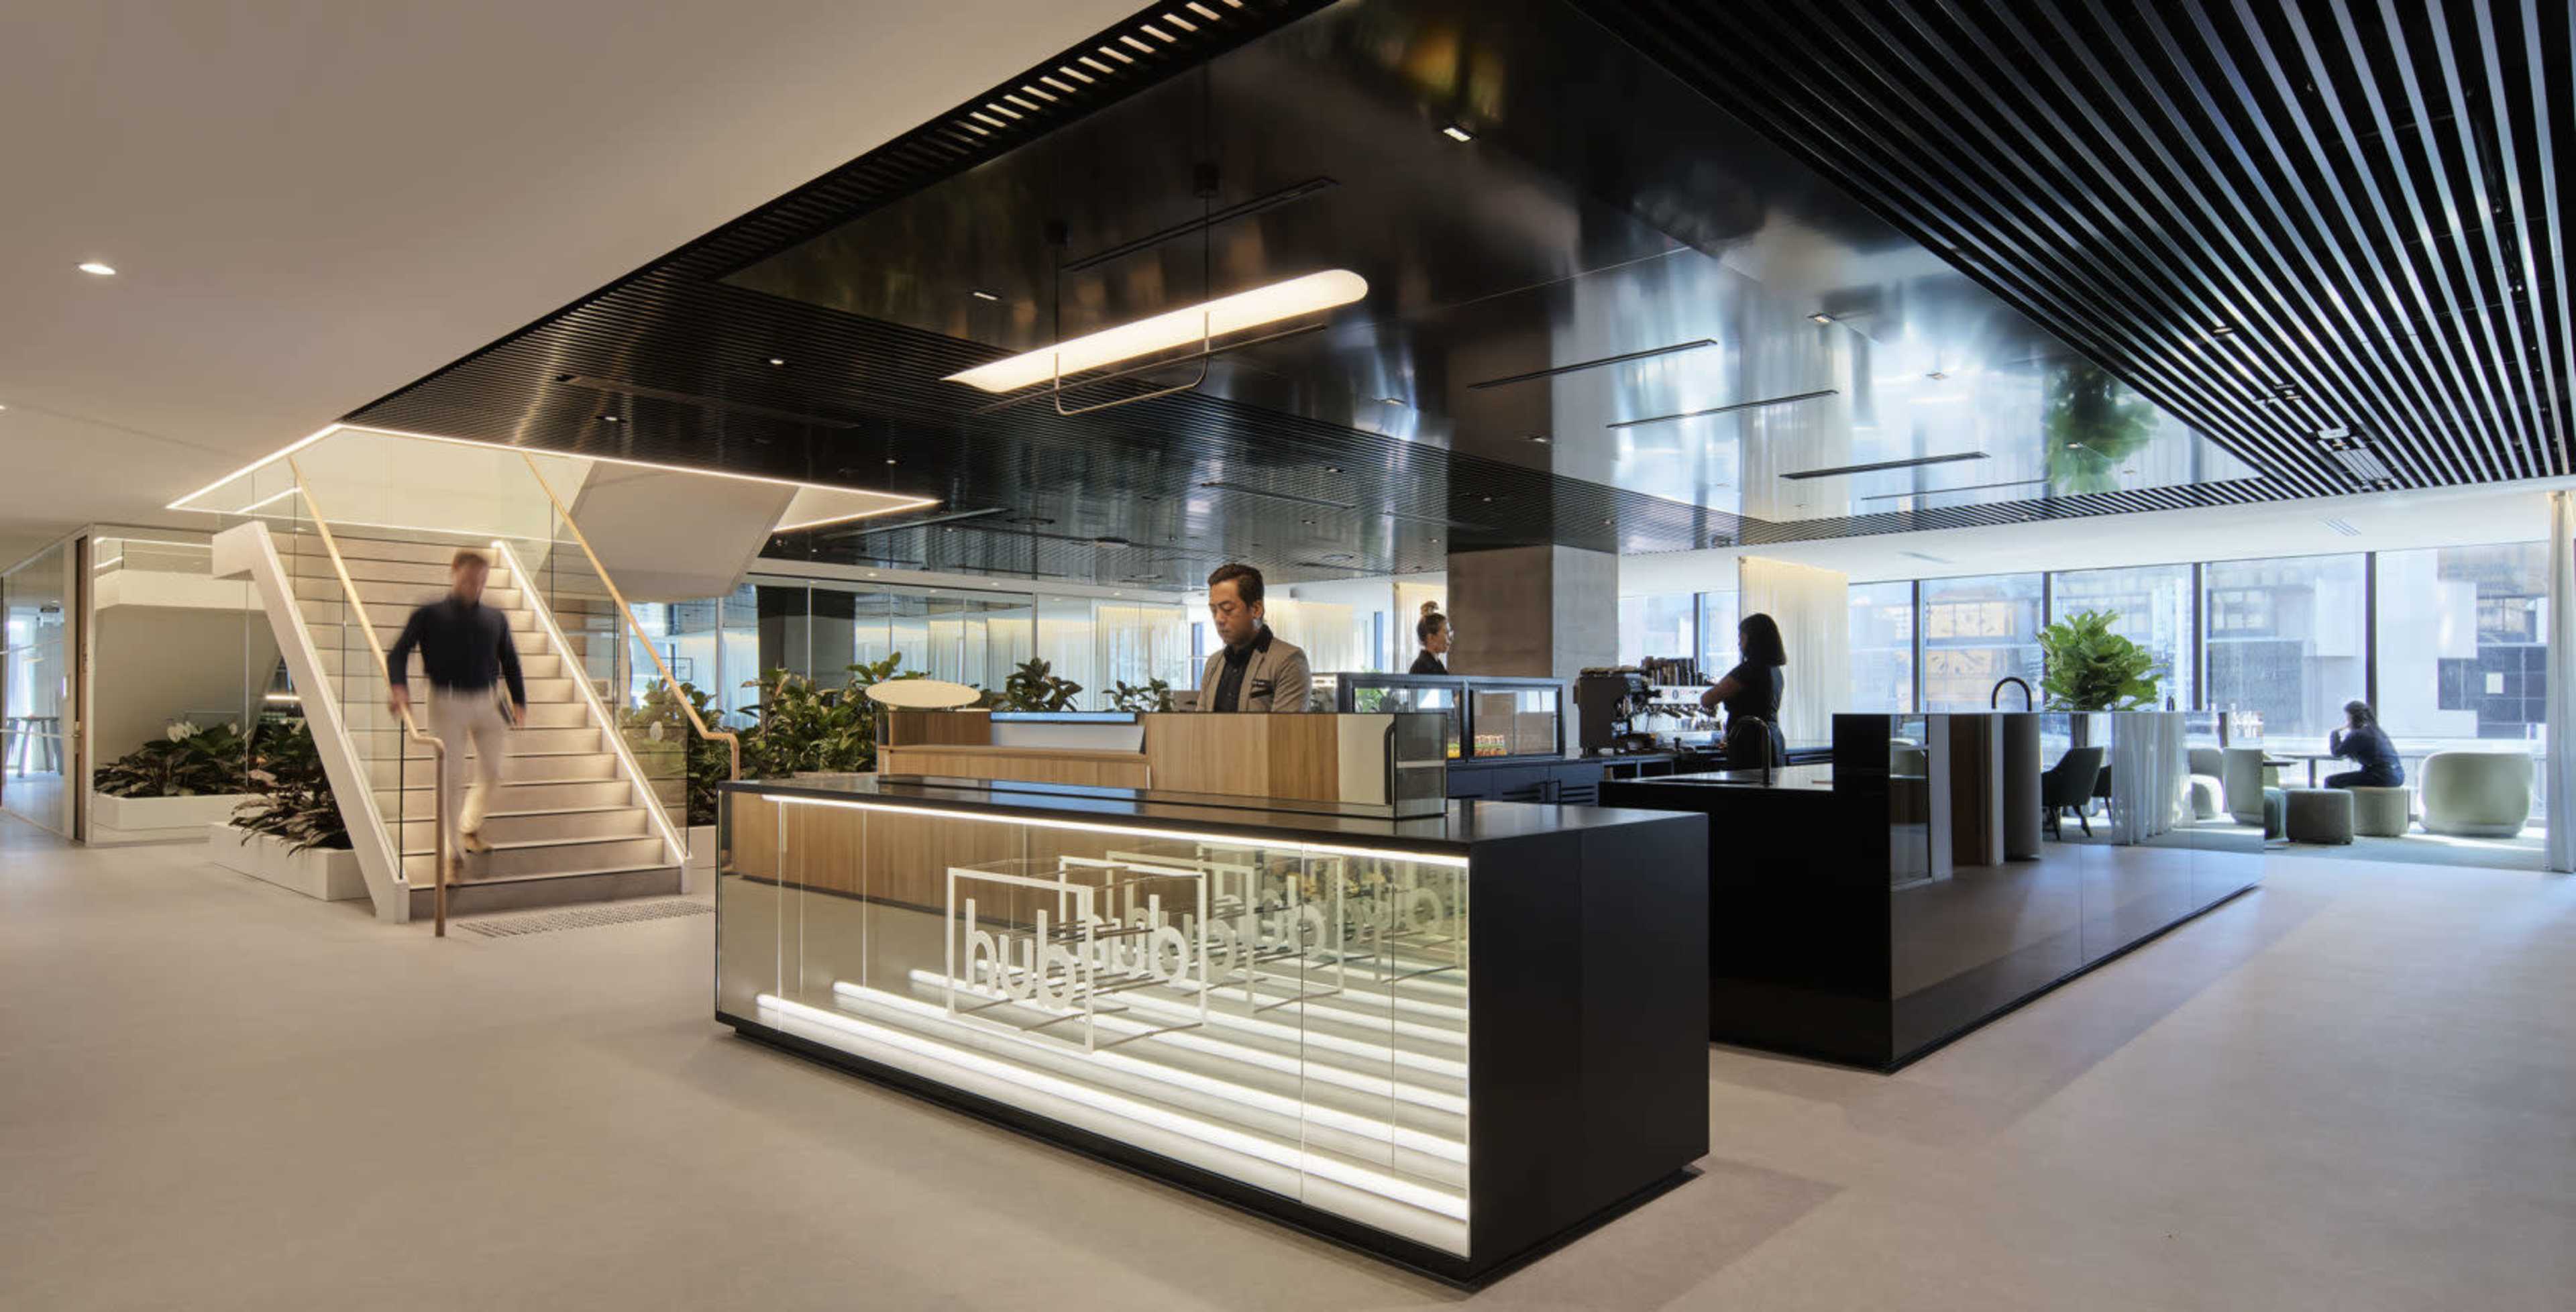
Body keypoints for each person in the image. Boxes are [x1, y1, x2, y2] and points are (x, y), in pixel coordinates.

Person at [386, 549, 527, 863]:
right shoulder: (428, 614)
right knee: (450, 778)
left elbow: (511, 661)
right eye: (469, 580)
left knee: (495, 769)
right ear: (454, 572)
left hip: (488, 701)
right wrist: (399, 688)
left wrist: (519, 700)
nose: (474, 587)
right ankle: (450, 852)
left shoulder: (495, 618)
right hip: (445, 701)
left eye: (480, 582)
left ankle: (469, 826)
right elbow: (398, 653)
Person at [1196, 563, 1311, 712]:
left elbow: (1285, 731)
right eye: (1214, 610)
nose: (1219, 619)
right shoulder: (1213, 663)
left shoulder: (1288, 660)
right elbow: (1200, 724)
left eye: (1227, 609)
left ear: (1256, 609)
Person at [1698, 612, 1788, 767]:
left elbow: (1708, 698)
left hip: (1751, 743)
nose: (1739, 644)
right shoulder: (1775, 670)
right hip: (1773, 739)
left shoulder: (1750, 670)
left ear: (1753, 640)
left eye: (1741, 638)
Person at [2324, 700, 2404, 789]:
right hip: (2398, 776)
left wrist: (2334, 734)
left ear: (2353, 718)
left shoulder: (2359, 734)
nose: (2347, 723)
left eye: (2348, 718)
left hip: (2382, 777)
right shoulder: (2377, 731)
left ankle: (2337, 803)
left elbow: (2337, 752)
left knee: (2331, 781)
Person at [1409, 602, 1451, 675]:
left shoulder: (1435, 664)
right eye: (1446, 633)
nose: (1450, 639)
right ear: (1431, 638)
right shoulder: (1421, 667)